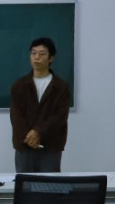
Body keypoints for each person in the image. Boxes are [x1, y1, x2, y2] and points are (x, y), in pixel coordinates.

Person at [9, 37, 71, 173]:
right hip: (24, 145)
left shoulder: (61, 87)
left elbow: (60, 116)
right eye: (33, 53)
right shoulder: (19, 86)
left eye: (42, 54)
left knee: (49, 184)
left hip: (50, 146)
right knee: (25, 184)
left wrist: (38, 132)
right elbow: (16, 116)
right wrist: (29, 137)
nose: (36, 57)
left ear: (51, 58)